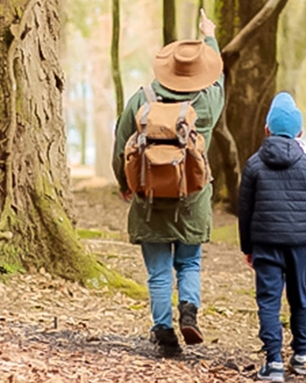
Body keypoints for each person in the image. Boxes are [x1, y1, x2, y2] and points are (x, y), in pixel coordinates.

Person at [111, 9, 224, 356]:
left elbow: (121, 146)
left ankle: (163, 332)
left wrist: (125, 183)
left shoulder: (140, 99)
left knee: (158, 272)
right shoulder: (206, 103)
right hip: (191, 198)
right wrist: (209, 36)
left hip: (148, 198)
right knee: (189, 262)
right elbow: (219, 80)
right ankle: (188, 310)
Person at [238, 92, 306, 382]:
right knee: (299, 297)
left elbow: (245, 210)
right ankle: (301, 354)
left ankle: (274, 360)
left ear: (267, 129)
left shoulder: (254, 165)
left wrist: (247, 247)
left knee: (268, 301)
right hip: (300, 244)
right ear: (299, 132)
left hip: (265, 243)